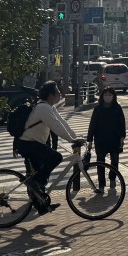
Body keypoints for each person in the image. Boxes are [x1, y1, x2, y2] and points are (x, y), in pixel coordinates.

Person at [16, 80, 83, 214]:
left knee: (39, 175)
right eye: (57, 92)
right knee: (56, 157)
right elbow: (56, 126)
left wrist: (75, 136)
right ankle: (34, 183)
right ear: (51, 95)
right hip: (28, 143)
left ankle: (41, 205)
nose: (59, 94)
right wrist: (71, 139)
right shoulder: (43, 108)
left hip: (33, 143)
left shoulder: (49, 107)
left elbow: (61, 122)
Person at [86, 88, 126, 192]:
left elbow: (122, 124)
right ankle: (101, 184)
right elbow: (92, 125)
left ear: (113, 96)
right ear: (102, 96)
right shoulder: (98, 109)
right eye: (106, 95)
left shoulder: (117, 108)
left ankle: (112, 179)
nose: (108, 97)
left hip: (114, 139)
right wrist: (89, 140)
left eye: (110, 95)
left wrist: (122, 137)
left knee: (115, 161)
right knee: (100, 162)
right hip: (100, 140)